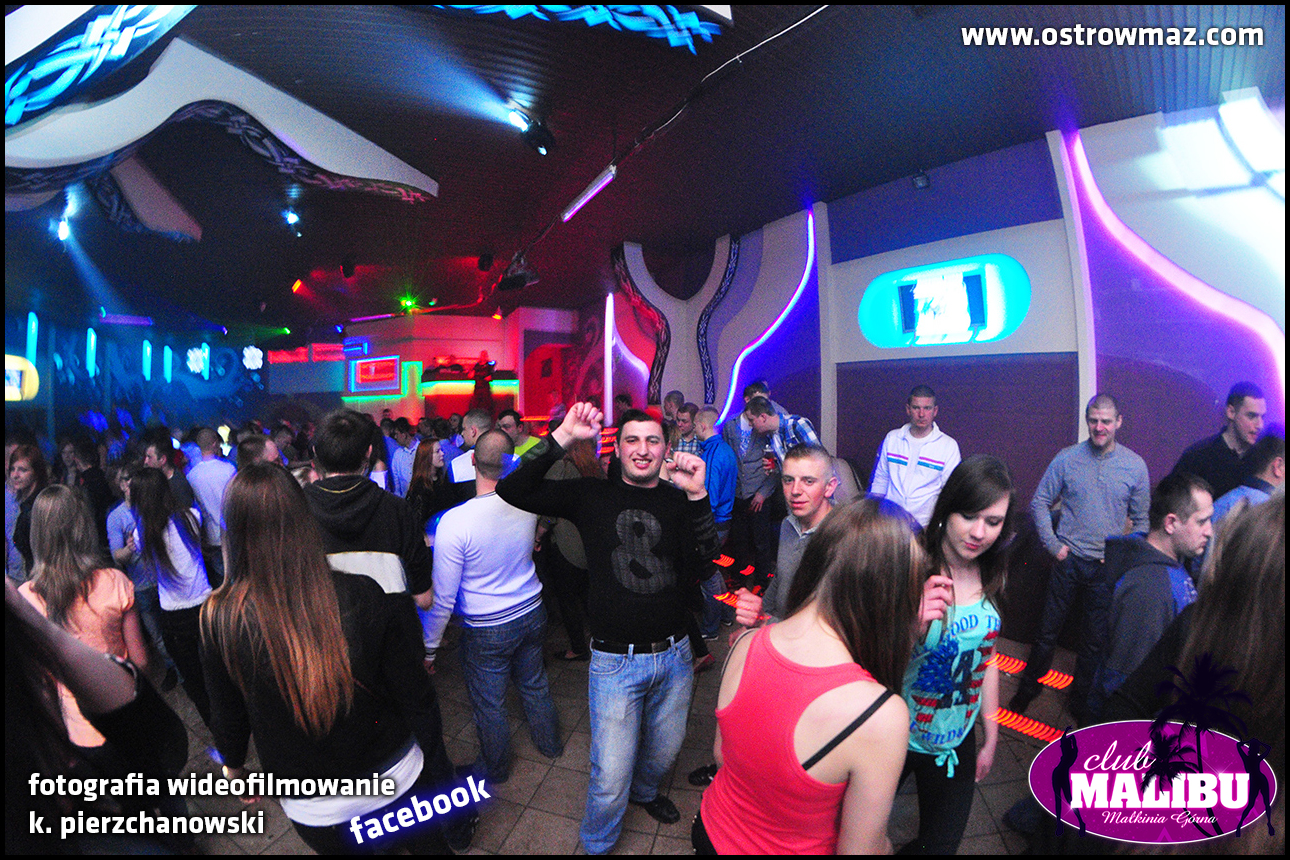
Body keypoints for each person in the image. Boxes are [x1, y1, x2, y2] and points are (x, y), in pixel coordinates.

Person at [497, 403, 720, 853]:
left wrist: (698, 497)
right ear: (616, 449)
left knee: (663, 751)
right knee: (610, 774)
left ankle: (645, 792)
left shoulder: (676, 499)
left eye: (652, 440)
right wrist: (562, 436)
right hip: (616, 662)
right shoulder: (590, 494)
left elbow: (704, 564)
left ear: (666, 449)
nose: (642, 449)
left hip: (675, 656)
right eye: (632, 440)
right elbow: (512, 487)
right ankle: (597, 843)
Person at [200, 463, 454, 855]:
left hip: (316, 804)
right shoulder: (363, 591)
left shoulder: (220, 617)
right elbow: (413, 692)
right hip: (394, 775)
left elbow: (227, 714)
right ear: (304, 519)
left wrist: (234, 768)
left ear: (231, 531)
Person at [695, 499, 920, 854]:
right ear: (890, 595)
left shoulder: (745, 644)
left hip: (712, 831)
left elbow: (724, 758)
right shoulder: (881, 714)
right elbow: (859, 851)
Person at [426, 430, 563, 782]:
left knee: (490, 704)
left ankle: (497, 770)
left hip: (487, 627)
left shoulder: (455, 522)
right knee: (534, 684)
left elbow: (443, 598)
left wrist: (429, 648)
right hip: (531, 610)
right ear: (511, 461)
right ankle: (550, 745)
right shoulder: (526, 503)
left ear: (472, 461)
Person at [899, 455, 1017, 854]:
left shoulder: (993, 572)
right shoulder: (913, 565)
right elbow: (866, 661)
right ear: (947, 508)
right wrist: (910, 626)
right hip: (896, 735)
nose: (979, 532)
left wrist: (991, 734)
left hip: (955, 741)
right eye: (968, 516)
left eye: (993, 521)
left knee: (940, 847)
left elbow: (988, 658)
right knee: (859, 837)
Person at [1009, 394, 1150, 722]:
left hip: (1104, 569)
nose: (1099, 427)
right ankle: (1028, 688)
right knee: (1047, 631)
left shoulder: (1135, 466)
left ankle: (1081, 703)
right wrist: (1053, 545)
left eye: (1106, 421)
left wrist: (1119, 558)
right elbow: (1040, 502)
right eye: (1094, 420)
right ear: (1088, 421)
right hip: (1068, 561)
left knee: (1093, 643)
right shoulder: (1067, 458)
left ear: (1118, 422)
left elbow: (1142, 522)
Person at [19, 486, 150, 754]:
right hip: (125, 713)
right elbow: (142, 662)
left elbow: (38, 684)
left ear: (37, 534)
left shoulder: (25, 600)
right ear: (83, 527)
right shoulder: (114, 582)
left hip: (77, 732)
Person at [1088, 472, 1213, 720]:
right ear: (1170, 523)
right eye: (1201, 522)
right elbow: (1127, 682)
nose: (1209, 531)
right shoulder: (1150, 588)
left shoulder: (1169, 568)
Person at [131, 467, 213, 726]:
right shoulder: (191, 516)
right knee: (220, 672)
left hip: (175, 615)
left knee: (194, 680)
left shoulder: (142, 533)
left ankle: (216, 730)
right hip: (206, 605)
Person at [108, 461, 177, 691]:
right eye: (124, 479)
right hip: (140, 585)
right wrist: (129, 548)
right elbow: (117, 556)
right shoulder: (116, 517)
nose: (129, 483)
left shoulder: (150, 506)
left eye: (132, 478)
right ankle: (174, 669)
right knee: (157, 634)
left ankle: (185, 669)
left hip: (163, 577)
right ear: (119, 485)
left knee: (173, 626)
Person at [539, 437, 603, 662]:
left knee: (567, 600)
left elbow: (550, 509)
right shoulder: (595, 470)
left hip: (567, 545)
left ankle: (578, 648)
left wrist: (539, 534)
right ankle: (603, 641)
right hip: (589, 545)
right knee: (587, 596)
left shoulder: (562, 468)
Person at [761, 445, 840, 621]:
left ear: (829, 487)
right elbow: (781, 576)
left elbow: (827, 620)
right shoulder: (787, 525)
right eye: (788, 480)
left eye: (808, 481)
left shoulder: (841, 538)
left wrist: (766, 624)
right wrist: (762, 611)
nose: (795, 491)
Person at [870, 385, 962, 528]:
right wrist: (871, 518)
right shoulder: (892, 438)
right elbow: (881, 479)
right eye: (916, 408)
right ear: (908, 409)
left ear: (935, 411)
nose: (921, 414)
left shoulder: (948, 446)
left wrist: (939, 525)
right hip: (889, 524)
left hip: (925, 525)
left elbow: (950, 492)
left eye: (927, 408)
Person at [1172, 381, 1267, 499]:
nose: (1260, 425)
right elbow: (1172, 501)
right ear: (1231, 412)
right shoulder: (1198, 456)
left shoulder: (1263, 458)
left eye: (1262, 417)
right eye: (1251, 416)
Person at [185, 427, 235, 587]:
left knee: (222, 583)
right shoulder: (228, 468)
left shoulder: (191, 475)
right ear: (215, 443)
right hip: (233, 533)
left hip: (212, 537)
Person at [744, 395, 821, 470]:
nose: (750, 424)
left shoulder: (797, 424)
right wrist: (775, 468)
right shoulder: (770, 436)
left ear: (763, 417)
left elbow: (819, 458)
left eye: (751, 420)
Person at [9, 443, 49, 574]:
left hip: (42, 576)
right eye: (12, 469)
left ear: (36, 473)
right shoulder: (25, 505)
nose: (15, 475)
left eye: (22, 470)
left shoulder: (39, 506)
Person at [405, 437, 451, 533]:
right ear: (427, 457)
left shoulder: (441, 480)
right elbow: (416, 522)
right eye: (437, 451)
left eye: (441, 450)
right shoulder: (420, 487)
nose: (442, 454)